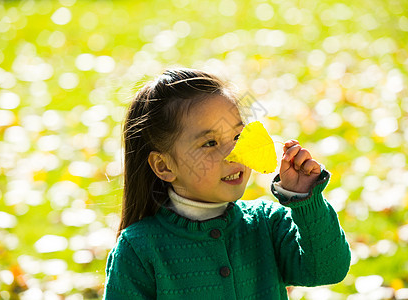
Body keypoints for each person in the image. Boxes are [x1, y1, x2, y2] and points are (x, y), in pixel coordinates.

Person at [103, 68, 351, 299]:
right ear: (164, 166)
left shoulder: (267, 223)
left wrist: (305, 200)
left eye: (237, 136)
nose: (234, 153)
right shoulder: (139, 249)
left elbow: (329, 269)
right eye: (209, 143)